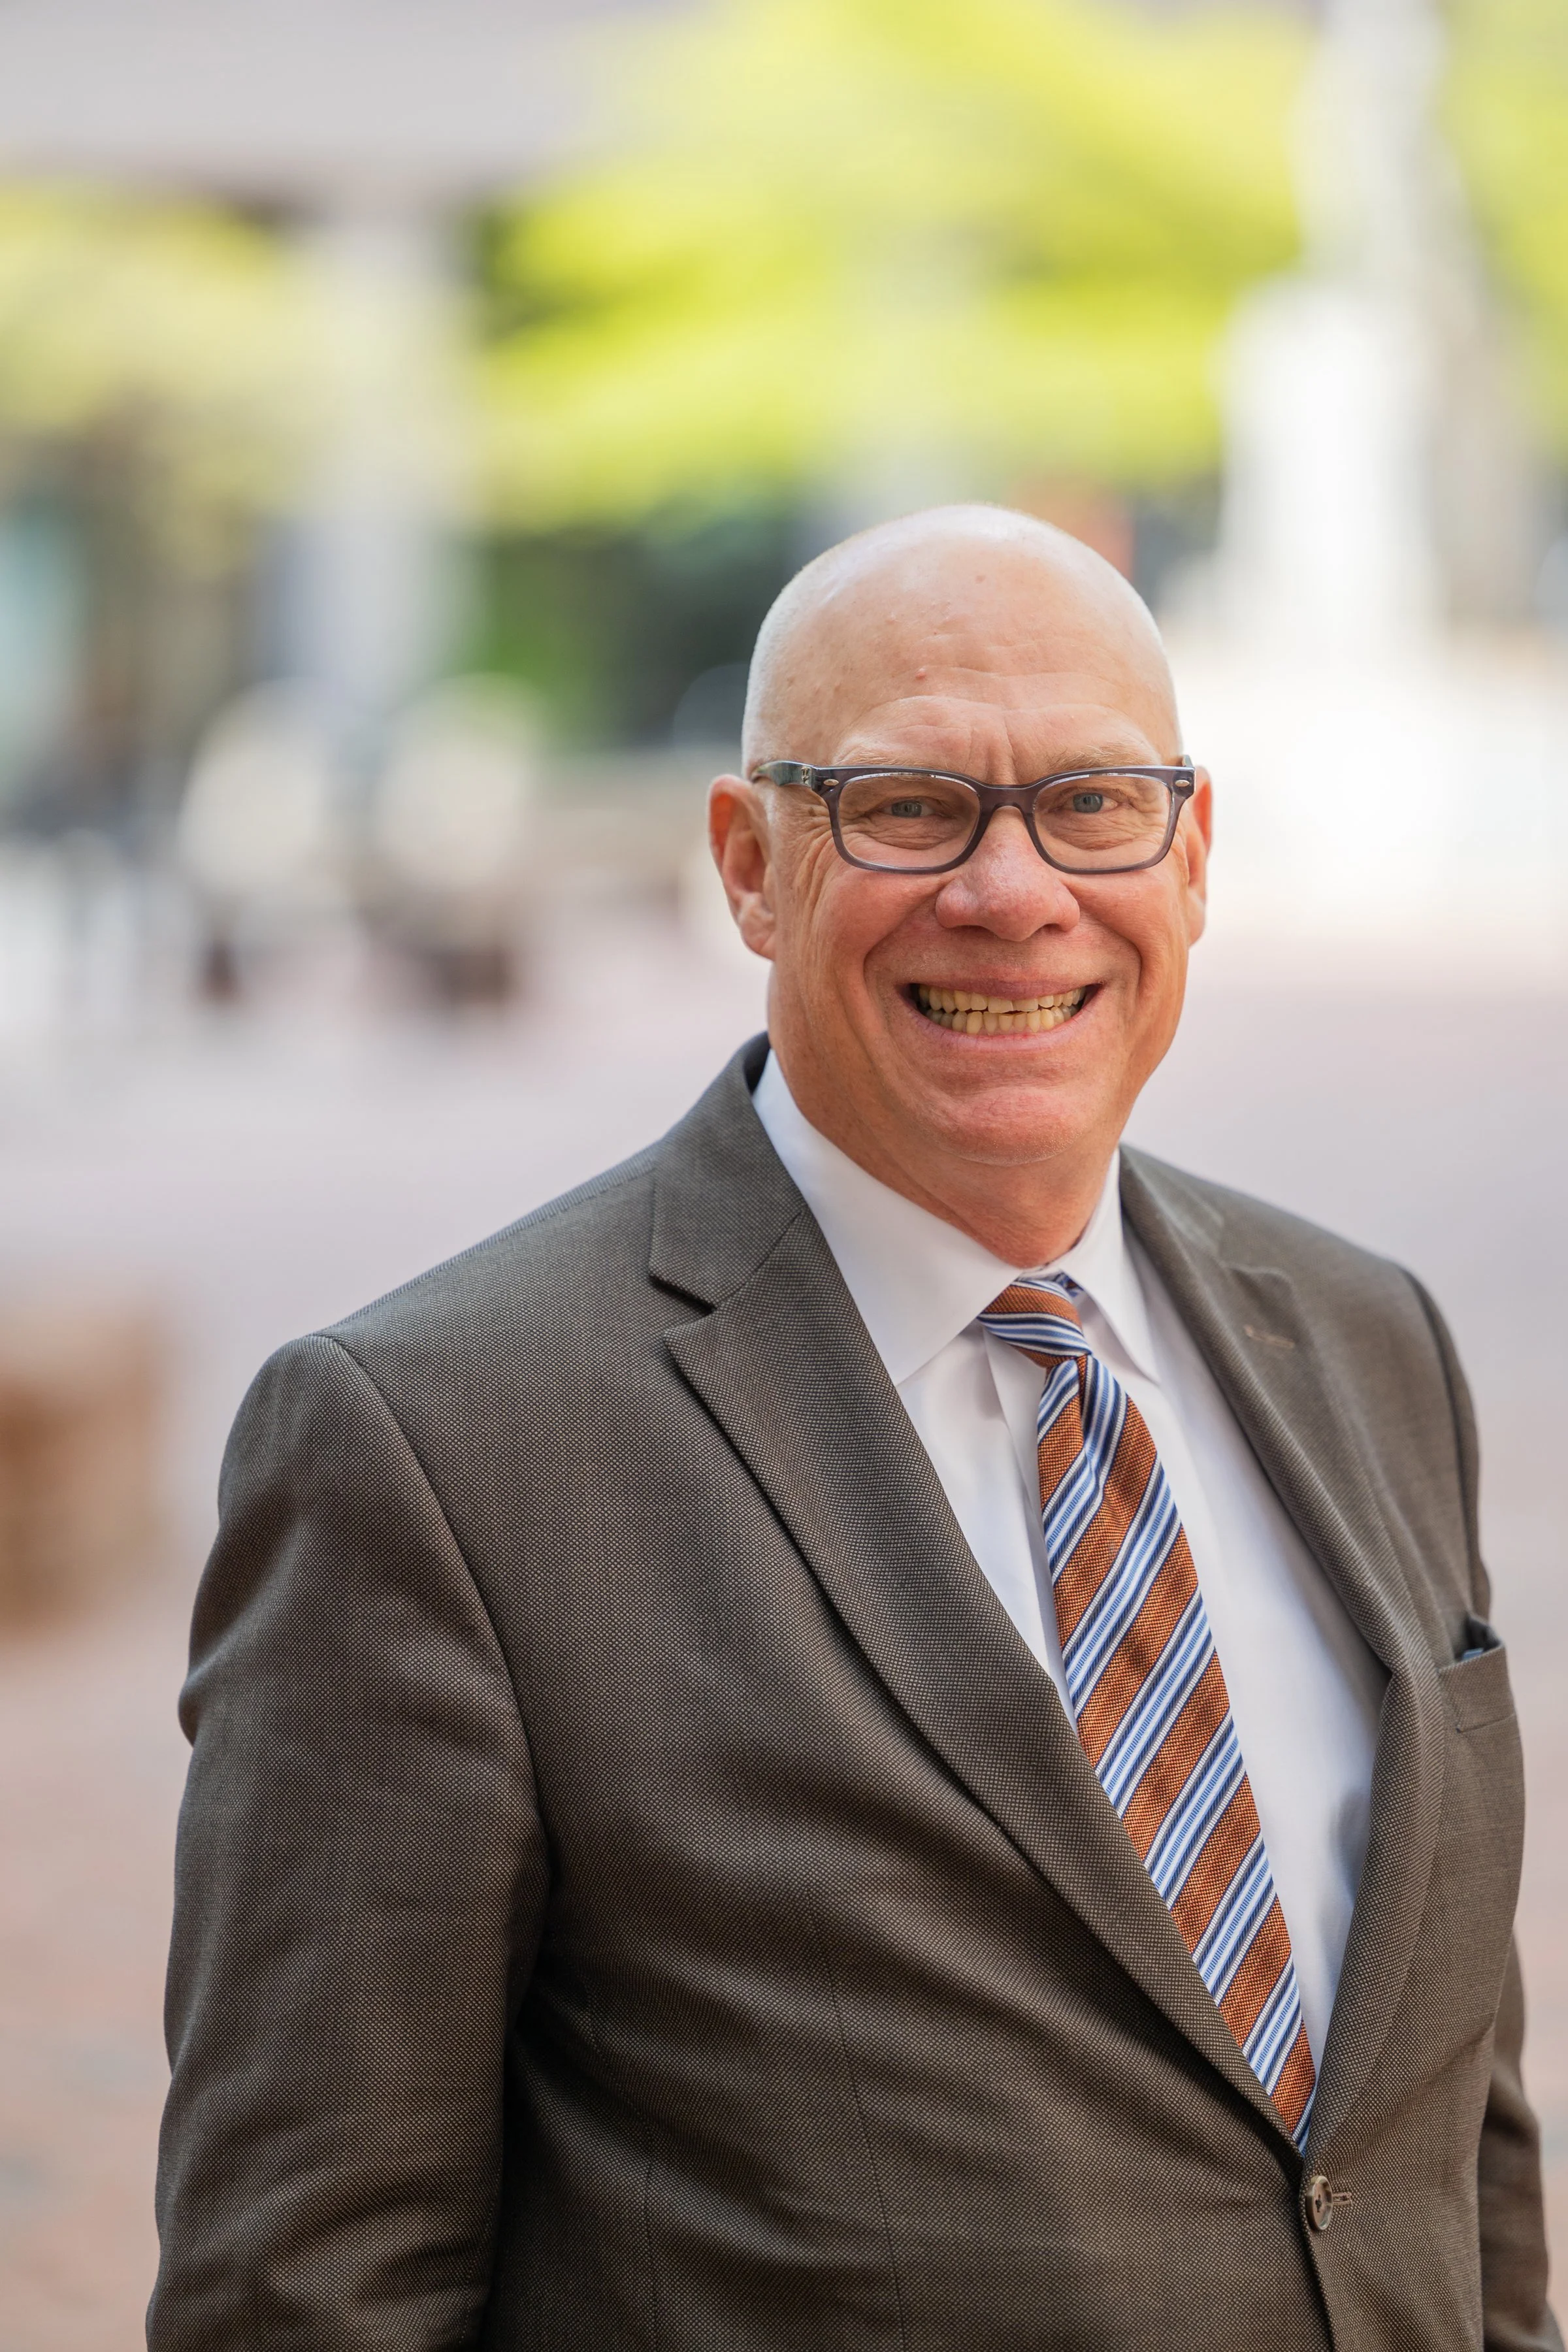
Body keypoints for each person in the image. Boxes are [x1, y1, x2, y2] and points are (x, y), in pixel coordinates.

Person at [150, 506, 1559, 2351]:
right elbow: (299, 2299)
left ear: (1193, 852)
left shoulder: (1368, 1340)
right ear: (749, 866)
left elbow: (1453, 2130)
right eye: (905, 809)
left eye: (1093, 802)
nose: (1013, 890)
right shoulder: (423, 1448)